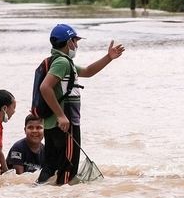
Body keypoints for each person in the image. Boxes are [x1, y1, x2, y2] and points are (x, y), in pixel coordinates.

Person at [37, 23, 125, 185]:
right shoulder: (62, 63)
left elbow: (88, 71)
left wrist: (108, 58)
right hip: (65, 124)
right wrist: (61, 115)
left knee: (51, 167)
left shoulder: (60, 61)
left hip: (52, 124)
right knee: (68, 169)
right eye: (75, 41)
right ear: (68, 42)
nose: (76, 45)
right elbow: (45, 87)